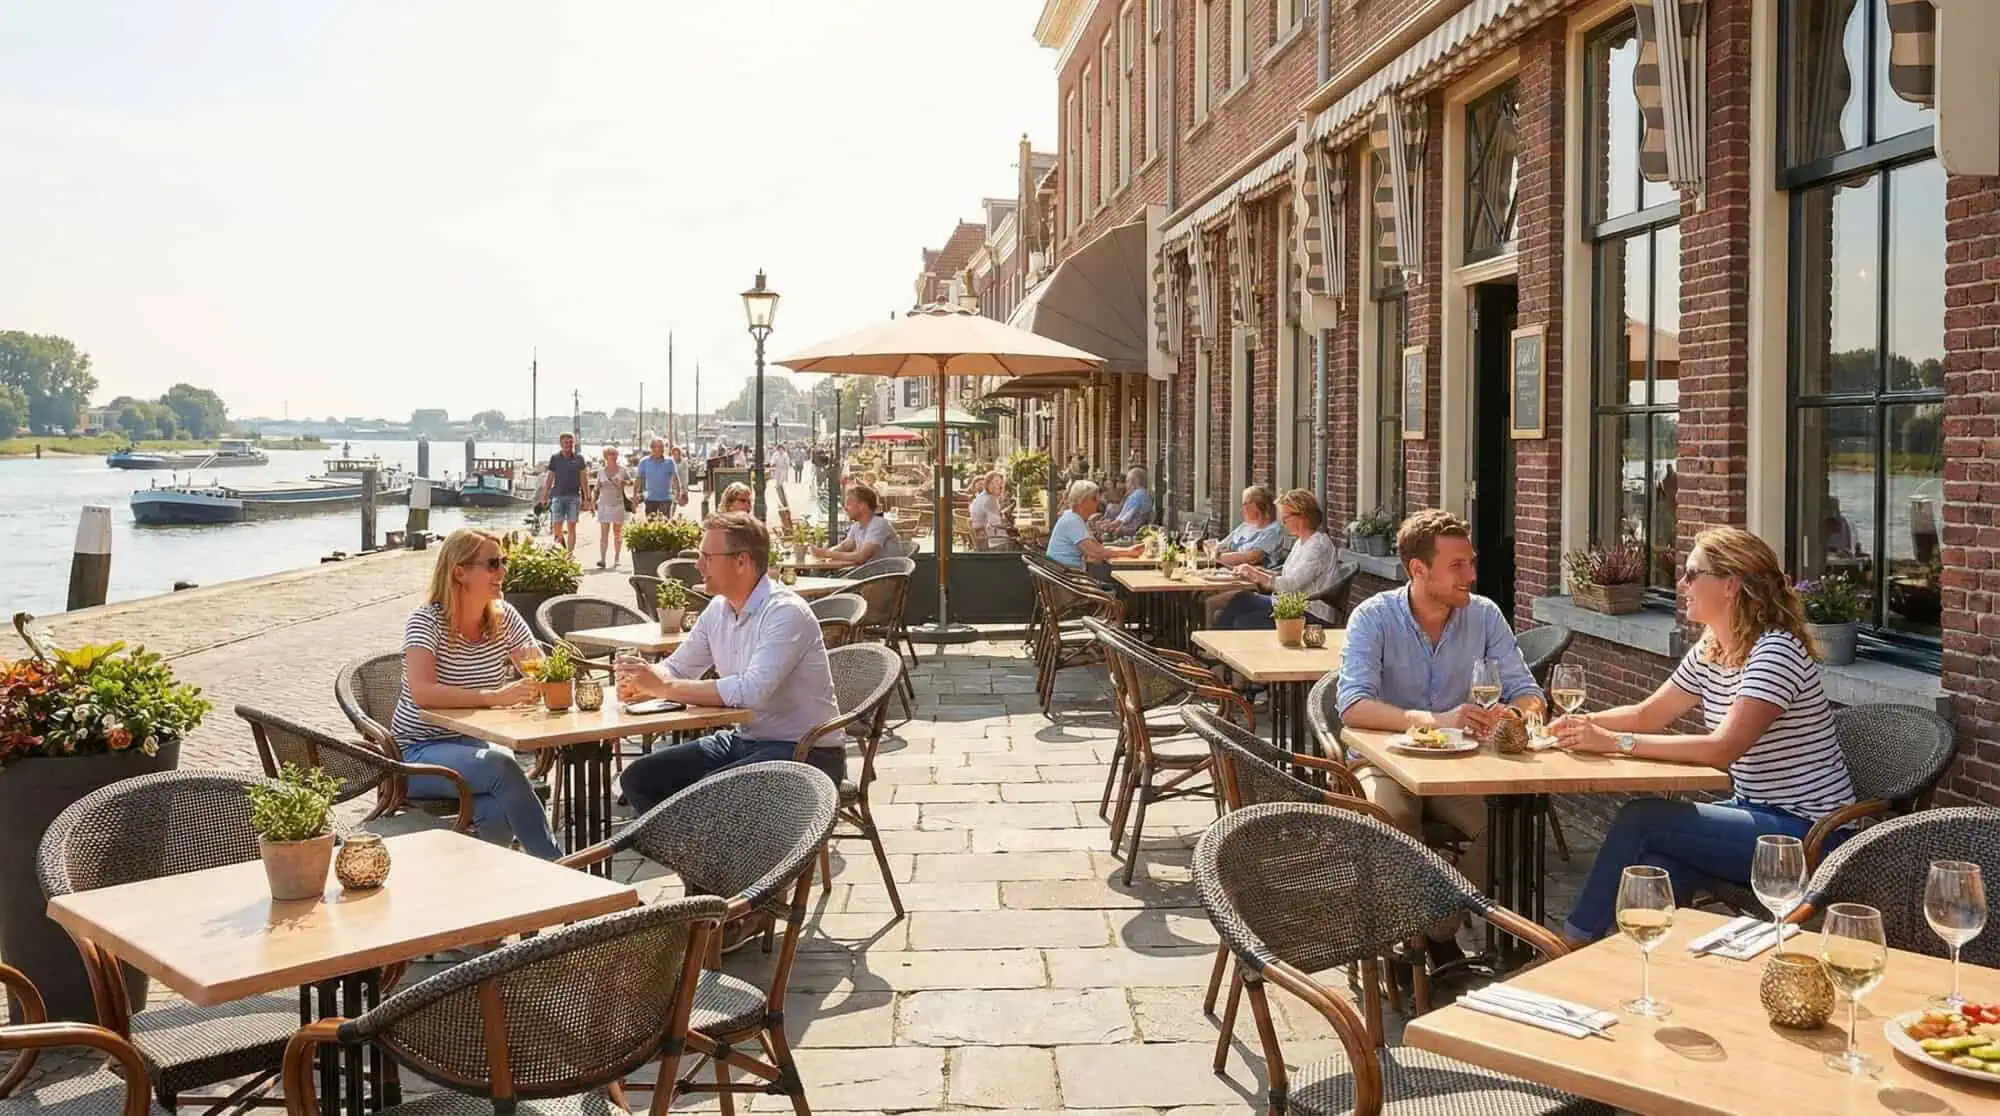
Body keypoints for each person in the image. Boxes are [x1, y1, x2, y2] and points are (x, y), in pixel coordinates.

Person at [1552, 526, 1856, 944]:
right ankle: (1638, 965)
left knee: (1642, 819)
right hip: (1753, 813)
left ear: (1731, 585)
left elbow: (1724, 748)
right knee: (1658, 863)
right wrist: (1576, 725)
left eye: (1692, 574)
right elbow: (1647, 713)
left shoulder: (1776, 651)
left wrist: (1612, 742)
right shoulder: (1714, 647)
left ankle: (1568, 945)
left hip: (1808, 837)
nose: (1681, 585)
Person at [1337, 508, 1542, 960]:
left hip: (1460, 765)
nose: (1471, 574)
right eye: (1457, 566)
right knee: (1390, 821)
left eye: (1471, 563)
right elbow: (1352, 706)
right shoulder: (1374, 617)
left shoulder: (1484, 615)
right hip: (1383, 762)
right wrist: (1435, 721)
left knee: (1508, 824)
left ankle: (1435, 925)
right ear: (1418, 569)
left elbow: (1529, 693)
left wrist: (1512, 713)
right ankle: (1420, 947)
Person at [615, 512, 843, 813]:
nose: (698, 565)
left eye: (707, 557)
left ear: (741, 562)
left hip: (807, 752)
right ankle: (697, 856)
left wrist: (664, 687)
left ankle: (721, 854)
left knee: (709, 793)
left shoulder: (785, 613)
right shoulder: (719, 610)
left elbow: (751, 692)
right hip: (747, 741)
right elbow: (679, 667)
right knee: (639, 778)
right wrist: (643, 679)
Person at [389, 529, 563, 859]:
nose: (503, 571)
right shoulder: (426, 622)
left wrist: (547, 681)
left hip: (473, 746)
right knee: (503, 769)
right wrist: (497, 697)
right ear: (460, 572)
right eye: (493, 564)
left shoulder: (503, 616)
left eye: (504, 562)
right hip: (415, 755)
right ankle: (561, 869)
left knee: (494, 809)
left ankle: (484, 890)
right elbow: (423, 693)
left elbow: (540, 669)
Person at [1216, 489, 1345, 628]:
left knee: (1245, 622)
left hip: (1311, 612)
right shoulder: (1301, 542)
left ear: (1302, 516)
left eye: (1286, 518)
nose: (1283, 523)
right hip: (1290, 605)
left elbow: (1290, 585)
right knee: (1241, 600)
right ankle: (1210, 647)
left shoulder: (1317, 546)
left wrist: (1256, 575)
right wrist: (1255, 572)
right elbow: (1286, 576)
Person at [1202, 486, 1287, 626]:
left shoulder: (1273, 531)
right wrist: (1215, 552)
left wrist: (1217, 557)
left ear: (1255, 506)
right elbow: (1215, 546)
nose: (1242, 509)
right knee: (1199, 598)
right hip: (1230, 579)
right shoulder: (1244, 527)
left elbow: (1252, 557)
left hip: (1254, 585)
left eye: (1244, 504)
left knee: (1209, 600)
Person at [1046, 480, 1144, 581]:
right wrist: (1128, 552)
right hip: (1068, 579)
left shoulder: (1072, 517)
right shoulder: (1073, 521)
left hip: (1066, 576)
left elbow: (1097, 549)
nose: (1097, 503)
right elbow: (1097, 552)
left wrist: (1127, 550)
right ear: (1082, 501)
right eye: (1093, 499)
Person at [813, 484, 900, 567]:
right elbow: (845, 546)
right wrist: (824, 552)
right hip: (867, 575)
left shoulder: (879, 524)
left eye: (849, 503)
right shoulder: (857, 525)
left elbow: (861, 557)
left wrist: (828, 554)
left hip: (883, 578)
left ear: (861, 506)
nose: (845, 508)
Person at [537, 433, 589, 557]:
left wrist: (587, 497)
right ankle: (559, 551)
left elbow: (583, 479)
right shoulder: (555, 458)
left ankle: (569, 555)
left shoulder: (579, 459)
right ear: (561, 444)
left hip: (574, 497)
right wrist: (544, 495)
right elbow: (550, 478)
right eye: (566, 442)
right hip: (558, 496)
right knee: (557, 527)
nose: (569, 445)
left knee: (571, 527)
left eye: (571, 442)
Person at [593, 446, 629, 570]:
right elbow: (597, 488)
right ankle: (602, 559)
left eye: (615, 455)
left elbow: (630, 483)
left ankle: (617, 558)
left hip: (618, 504)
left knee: (617, 532)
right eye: (610, 455)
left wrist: (623, 483)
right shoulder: (601, 472)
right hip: (604, 504)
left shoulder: (622, 470)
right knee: (604, 534)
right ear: (606, 458)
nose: (613, 457)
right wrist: (592, 503)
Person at [1099, 467, 1155, 537]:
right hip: (1136, 530)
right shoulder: (1144, 494)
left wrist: (1108, 525)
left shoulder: (1137, 494)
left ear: (1135, 481)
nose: (1126, 485)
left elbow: (1124, 518)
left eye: (1127, 481)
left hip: (1131, 532)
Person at [967, 470, 1013, 550]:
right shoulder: (990, 499)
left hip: (985, 537)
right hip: (992, 542)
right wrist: (1008, 524)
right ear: (987, 483)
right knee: (1022, 539)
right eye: (994, 482)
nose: (997, 485)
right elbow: (996, 523)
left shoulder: (983, 496)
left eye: (1000, 482)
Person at [635, 437, 681, 516]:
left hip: (666, 500)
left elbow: (675, 479)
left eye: (662, 447)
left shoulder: (670, 462)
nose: (660, 449)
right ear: (651, 448)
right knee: (651, 525)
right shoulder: (644, 462)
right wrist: (635, 494)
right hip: (650, 499)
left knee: (665, 525)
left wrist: (678, 494)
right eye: (657, 447)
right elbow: (638, 479)